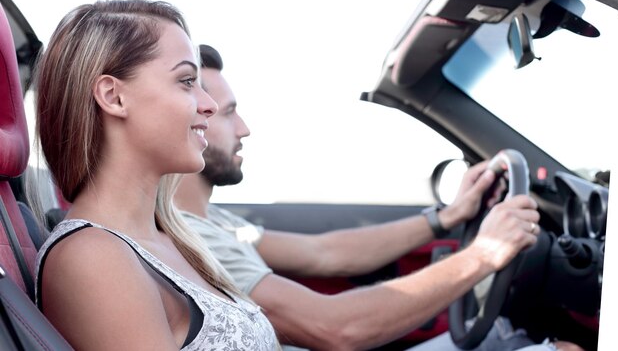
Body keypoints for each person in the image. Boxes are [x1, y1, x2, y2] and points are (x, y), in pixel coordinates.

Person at [174, 45, 582, 351]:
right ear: (195, 121)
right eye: (227, 113)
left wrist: (446, 217)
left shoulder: (218, 222)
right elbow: (335, 328)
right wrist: (483, 254)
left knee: (504, 335)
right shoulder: (192, 239)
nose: (244, 129)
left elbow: (325, 253)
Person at [32, 1, 279, 350]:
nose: (207, 104)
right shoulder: (94, 258)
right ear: (113, 96)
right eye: (187, 81)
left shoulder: (174, 239)